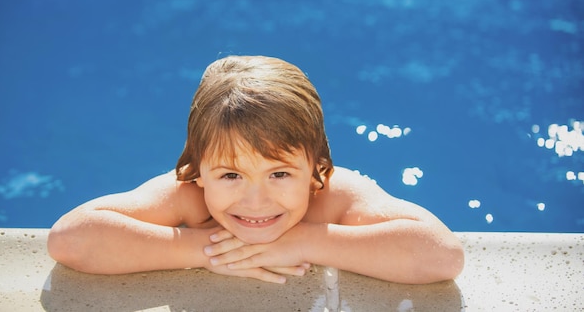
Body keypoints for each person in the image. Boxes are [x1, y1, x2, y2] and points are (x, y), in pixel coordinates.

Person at [48, 55, 464, 284]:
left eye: (280, 174)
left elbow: (441, 257)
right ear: (198, 169)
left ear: (316, 167)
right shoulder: (189, 195)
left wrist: (306, 241)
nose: (256, 200)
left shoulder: (333, 196)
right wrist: (203, 251)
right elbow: (71, 241)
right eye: (230, 175)